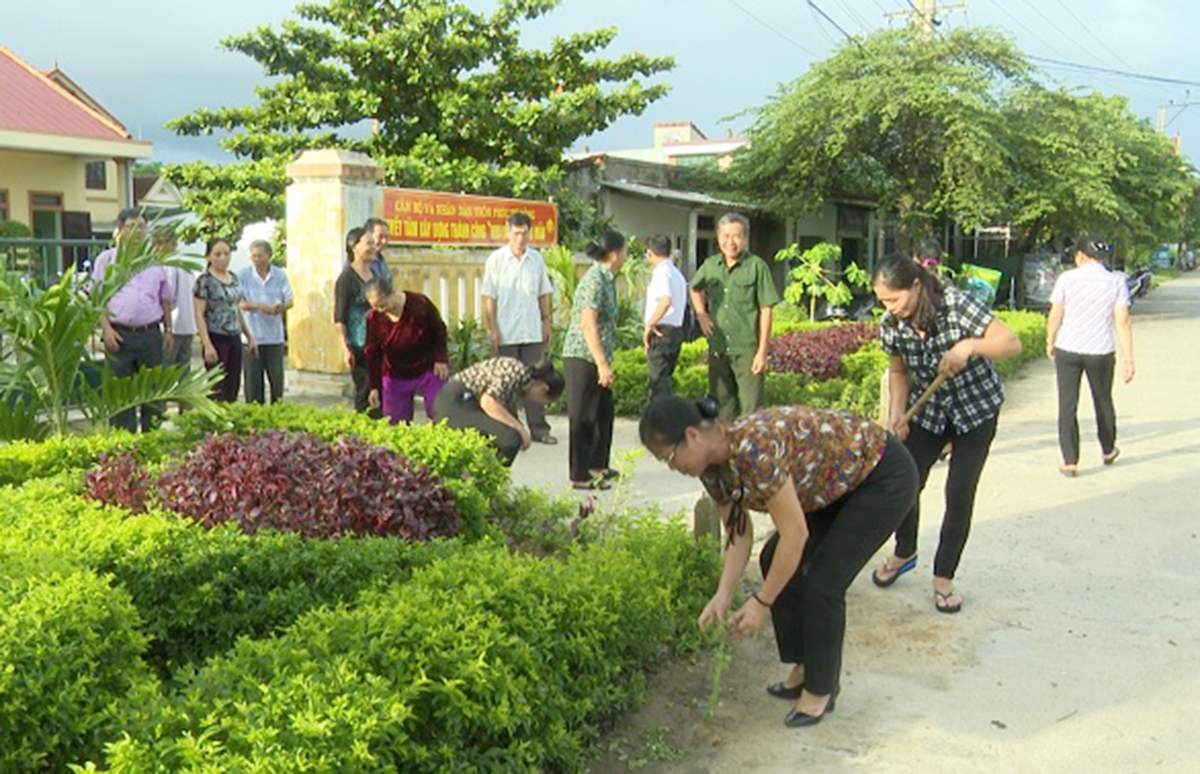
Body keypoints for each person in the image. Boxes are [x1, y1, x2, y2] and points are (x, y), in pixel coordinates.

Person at [640, 396, 918, 727]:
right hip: (833, 485)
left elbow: (795, 535)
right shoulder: (711, 469)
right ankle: (805, 667)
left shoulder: (755, 448)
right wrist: (723, 594)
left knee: (823, 582)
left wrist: (761, 602)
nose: (673, 467)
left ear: (692, 436)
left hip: (881, 476)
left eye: (670, 457)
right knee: (773, 559)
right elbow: (738, 533)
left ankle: (821, 689)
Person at [870, 254, 1021, 614]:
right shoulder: (891, 324)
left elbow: (1011, 343)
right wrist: (897, 415)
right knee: (905, 480)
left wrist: (970, 346)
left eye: (895, 299)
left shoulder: (955, 304)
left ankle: (943, 577)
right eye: (883, 302)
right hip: (930, 412)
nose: (890, 309)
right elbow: (898, 371)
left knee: (959, 491)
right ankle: (905, 551)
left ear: (917, 286)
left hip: (975, 411)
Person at [1045, 235, 1135, 476]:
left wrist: (1050, 340)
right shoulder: (1116, 281)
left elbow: (1055, 314)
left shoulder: (1067, 279)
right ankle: (1107, 449)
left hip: (1068, 348)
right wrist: (1129, 359)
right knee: (1103, 400)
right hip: (1101, 350)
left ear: (1081, 255)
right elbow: (1122, 321)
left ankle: (1070, 460)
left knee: (1067, 404)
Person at [689, 212, 780, 419]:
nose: (730, 242)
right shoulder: (711, 266)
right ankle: (726, 452)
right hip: (718, 349)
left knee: (752, 412)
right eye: (725, 236)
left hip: (747, 350)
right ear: (718, 237)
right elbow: (694, 288)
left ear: (745, 238)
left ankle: (751, 451)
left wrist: (762, 351)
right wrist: (702, 314)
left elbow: (766, 309)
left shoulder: (757, 267)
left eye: (736, 236)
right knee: (722, 410)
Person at [91, 208, 174, 432]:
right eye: (132, 227)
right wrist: (106, 330)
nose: (138, 232)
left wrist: (168, 330)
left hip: (150, 335)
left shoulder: (153, 262)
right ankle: (124, 447)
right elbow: (97, 299)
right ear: (120, 229)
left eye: (142, 227)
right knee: (121, 395)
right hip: (119, 336)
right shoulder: (106, 260)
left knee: (153, 392)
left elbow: (165, 298)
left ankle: (152, 440)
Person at [481, 212, 557, 444]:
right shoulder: (496, 260)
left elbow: (543, 293)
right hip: (507, 332)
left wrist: (546, 322)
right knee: (507, 383)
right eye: (516, 233)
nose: (520, 238)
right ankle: (511, 428)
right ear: (508, 233)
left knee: (535, 381)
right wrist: (493, 328)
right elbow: (489, 298)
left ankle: (539, 429)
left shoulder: (536, 260)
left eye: (524, 233)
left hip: (532, 331)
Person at [562, 229, 624, 490]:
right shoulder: (594, 280)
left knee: (603, 413)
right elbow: (588, 324)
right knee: (583, 416)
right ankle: (579, 474)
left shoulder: (607, 278)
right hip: (583, 356)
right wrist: (601, 363)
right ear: (615, 253)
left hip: (598, 356)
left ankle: (598, 464)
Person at [433, 356, 564, 466]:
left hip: (463, 402)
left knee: (502, 436)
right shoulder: (516, 372)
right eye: (542, 400)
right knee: (511, 439)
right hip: (457, 401)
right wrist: (520, 429)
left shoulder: (520, 381)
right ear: (543, 388)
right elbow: (488, 402)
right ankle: (487, 478)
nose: (535, 402)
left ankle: (479, 472)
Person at [363, 276, 449, 424]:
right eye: (375, 306)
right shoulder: (374, 318)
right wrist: (374, 387)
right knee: (395, 424)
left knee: (440, 416)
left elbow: (439, 330)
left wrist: (440, 358)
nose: (380, 310)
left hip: (428, 368)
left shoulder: (420, 304)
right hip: (395, 374)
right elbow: (373, 353)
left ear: (393, 293)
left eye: (383, 305)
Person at [194, 238, 256, 403]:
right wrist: (207, 344)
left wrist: (249, 337)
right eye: (217, 254)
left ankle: (230, 423)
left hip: (234, 336)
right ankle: (215, 426)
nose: (223, 258)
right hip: (215, 337)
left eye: (226, 254)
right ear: (208, 257)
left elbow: (236, 309)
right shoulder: (204, 281)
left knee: (233, 385)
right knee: (217, 388)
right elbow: (199, 314)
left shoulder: (234, 278)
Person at [238, 240, 294, 404]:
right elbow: (241, 303)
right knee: (253, 385)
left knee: (276, 383)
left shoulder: (279, 275)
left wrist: (280, 307)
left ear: (269, 256)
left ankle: (277, 416)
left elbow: (290, 300)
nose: (256, 260)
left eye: (260, 256)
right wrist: (260, 307)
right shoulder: (243, 276)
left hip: (274, 337)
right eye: (253, 256)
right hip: (252, 338)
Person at [334, 227, 376, 414]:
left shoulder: (376, 276)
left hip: (378, 343)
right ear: (354, 247)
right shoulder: (346, 278)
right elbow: (339, 317)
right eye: (369, 243)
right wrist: (345, 347)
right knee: (364, 390)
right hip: (359, 345)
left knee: (379, 390)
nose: (374, 247)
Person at [643, 234, 689, 400]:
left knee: (659, 383)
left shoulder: (661, 273)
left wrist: (650, 324)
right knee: (665, 379)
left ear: (649, 253)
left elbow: (665, 301)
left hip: (661, 332)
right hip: (675, 331)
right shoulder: (677, 274)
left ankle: (662, 421)